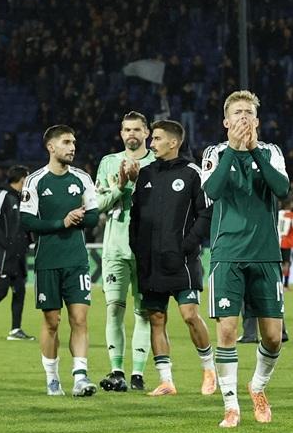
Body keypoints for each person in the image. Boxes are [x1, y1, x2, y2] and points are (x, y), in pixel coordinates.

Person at [199, 89, 289, 429]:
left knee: (273, 336)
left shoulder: (271, 152)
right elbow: (212, 191)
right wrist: (235, 149)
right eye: (237, 113)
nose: (243, 118)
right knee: (227, 330)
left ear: (257, 120)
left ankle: (258, 387)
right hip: (227, 254)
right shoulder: (214, 153)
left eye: (249, 113)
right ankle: (230, 405)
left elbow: (281, 189)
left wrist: (252, 150)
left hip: (265, 254)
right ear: (226, 121)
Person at [130, 119, 217, 397]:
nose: (151, 143)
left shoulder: (192, 173)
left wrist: (188, 245)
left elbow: (206, 213)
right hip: (150, 261)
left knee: (189, 314)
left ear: (173, 142)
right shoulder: (146, 173)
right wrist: (137, 248)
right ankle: (166, 381)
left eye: (156, 138)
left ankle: (209, 369)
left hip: (181, 260)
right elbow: (135, 215)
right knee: (156, 317)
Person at [20, 125, 101, 397]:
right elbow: (27, 221)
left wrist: (79, 217)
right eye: (66, 142)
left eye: (74, 142)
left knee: (79, 318)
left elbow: (93, 216)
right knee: (52, 322)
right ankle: (52, 378)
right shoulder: (35, 181)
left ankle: (80, 376)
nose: (72, 147)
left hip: (77, 260)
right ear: (51, 147)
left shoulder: (82, 178)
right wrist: (62, 222)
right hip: (48, 261)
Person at [93, 112, 156, 392]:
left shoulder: (156, 163)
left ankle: (138, 374)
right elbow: (97, 204)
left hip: (147, 249)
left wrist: (138, 181)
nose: (132, 134)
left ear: (146, 133)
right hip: (115, 248)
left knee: (144, 313)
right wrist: (120, 187)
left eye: (137, 129)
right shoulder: (108, 162)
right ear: (121, 133)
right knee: (114, 310)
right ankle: (117, 370)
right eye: (127, 129)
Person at [0, 165, 32, 340]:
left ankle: (15, 330)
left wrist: (27, 241)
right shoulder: (2, 196)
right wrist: (6, 243)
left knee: (20, 291)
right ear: (22, 179)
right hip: (3, 254)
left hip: (18, 255)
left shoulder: (21, 198)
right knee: (0, 292)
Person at [277, 201, 293, 291]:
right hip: (288, 243)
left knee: (278, 264)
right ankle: (285, 285)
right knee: (287, 263)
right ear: (290, 205)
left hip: (277, 241)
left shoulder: (278, 213)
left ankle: (278, 284)